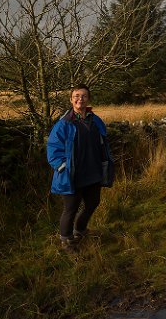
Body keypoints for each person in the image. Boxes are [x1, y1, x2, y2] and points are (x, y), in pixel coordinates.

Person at [46, 84, 115, 253]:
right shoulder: (64, 124)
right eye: (76, 96)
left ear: (88, 99)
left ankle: (80, 230)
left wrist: (105, 162)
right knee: (71, 209)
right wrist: (63, 167)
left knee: (93, 203)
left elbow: (103, 143)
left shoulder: (96, 120)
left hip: (93, 172)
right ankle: (66, 240)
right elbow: (53, 150)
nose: (80, 99)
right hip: (73, 175)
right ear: (71, 99)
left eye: (84, 96)